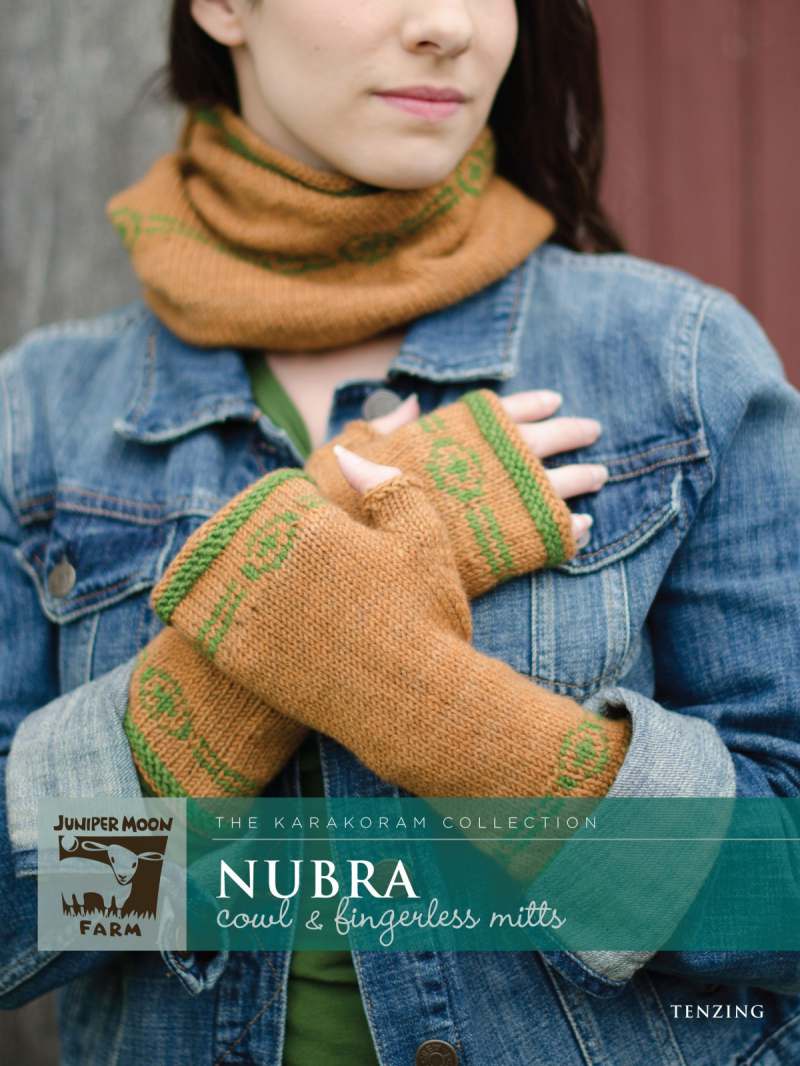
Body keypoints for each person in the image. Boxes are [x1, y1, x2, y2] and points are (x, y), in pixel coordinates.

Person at [2, 1, 800, 1064]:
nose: (448, 24)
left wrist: (424, 702)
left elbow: (779, 903)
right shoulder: (39, 415)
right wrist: (209, 698)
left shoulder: (679, 362)